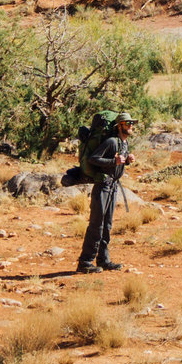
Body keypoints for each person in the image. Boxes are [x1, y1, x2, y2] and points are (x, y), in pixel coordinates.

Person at [77, 113, 135, 273]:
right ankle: (85, 262)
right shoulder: (111, 142)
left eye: (132, 123)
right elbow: (93, 159)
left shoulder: (124, 143)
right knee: (96, 224)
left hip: (113, 186)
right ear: (120, 125)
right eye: (128, 123)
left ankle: (103, 260)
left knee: (107, 225)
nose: (131, 126)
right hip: (103, 186)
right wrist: (113, 161)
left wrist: (127, 161)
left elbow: (118, 162)